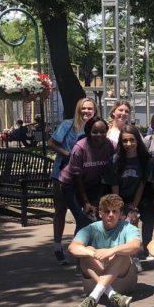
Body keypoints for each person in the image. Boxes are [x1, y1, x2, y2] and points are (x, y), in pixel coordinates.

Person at [67, 194, 140, 307]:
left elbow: (135, 245)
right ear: (100, 213)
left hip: (124, 280)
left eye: (114, 211)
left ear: (120, 214)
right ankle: (111, 295)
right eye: (107, 211)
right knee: (86, 251)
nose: (110, 214)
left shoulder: (128, 228)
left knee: (121, 253)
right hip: (97, 280)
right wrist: (93, 253)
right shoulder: (91, 228)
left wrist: (111, 251)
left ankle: (93, 299)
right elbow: (72, 248)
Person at [49, 97, 97, 263]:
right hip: (62, 172)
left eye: (90, 109)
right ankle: (57, 246)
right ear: (78, 109)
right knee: (61, 209)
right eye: (83, 108)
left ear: (95, 110)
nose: (86, 112)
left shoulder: (95, 127)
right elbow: (51, 143)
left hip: (84, 176)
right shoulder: (68, 125)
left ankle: (80, 250)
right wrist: (68, 154)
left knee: (83, 213)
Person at [104, 124, 154, 256]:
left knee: (148, 216)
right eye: (125, 140)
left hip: (140, 196)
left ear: (138, 140)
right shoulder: (115, 160)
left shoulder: (146, 159)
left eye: (132, 140)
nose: (129, 143)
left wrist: (134, 207)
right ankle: (127, 250)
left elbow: (142, 184)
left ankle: (147, 247)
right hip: (120, 196)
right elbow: (114, 186)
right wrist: (119, 207)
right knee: (124, 220)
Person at [58, 117, 116, 231]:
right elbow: (76, 178)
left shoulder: (110, 145)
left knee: (95, 219)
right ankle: (77, 248)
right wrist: (86, 202)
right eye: (95, 132)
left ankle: (93, 246)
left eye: (102, 132)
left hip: (92, 185)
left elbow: (108, 173)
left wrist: (96, 201)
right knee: (82, 220)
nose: (99, 135)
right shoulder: (80, 148)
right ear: (88, 132)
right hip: (72, 186)